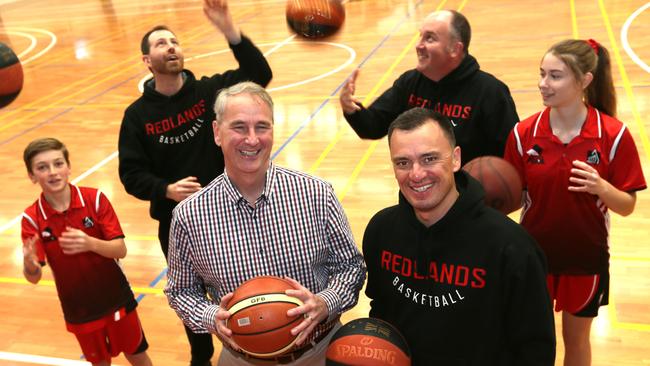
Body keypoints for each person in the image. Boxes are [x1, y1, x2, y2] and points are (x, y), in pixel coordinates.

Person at [164, 82, 366, 365]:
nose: (252, 140)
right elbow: (180, 291)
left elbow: (351, 267)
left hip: (320, 351)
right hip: (241, 358)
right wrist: (212, 317)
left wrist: (325, 303)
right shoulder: (189, 216)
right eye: (239, 127)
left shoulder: (316, 194)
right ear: (216, 132)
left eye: (262, 127)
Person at [117, 1, 272, 364]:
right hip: (178, 223)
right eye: (160, 44)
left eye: (174, 41)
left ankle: (259, 339)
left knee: (243, 285)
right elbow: (131, 173)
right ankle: (201, 354)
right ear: (146, 60)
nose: (170, 47)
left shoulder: (210, 93)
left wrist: (229, 29)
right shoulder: (137, 116)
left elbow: (258, 73)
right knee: (190, 294)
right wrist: (165, 190)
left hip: (230, 213)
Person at [363, 108, 556, 365]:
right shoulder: (381, 231)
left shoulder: (512, 246)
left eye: (429, 159)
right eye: (403, 162)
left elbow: (536, 347)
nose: (416, 174)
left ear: (456, 159)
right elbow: (382, 311)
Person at [504, 39, 647, 366]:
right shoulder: (523, 133)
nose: (543, 84)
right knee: (528, 343)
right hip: (533, 257)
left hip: (585, 257)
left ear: (584, 81)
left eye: (555, 76)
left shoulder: (613, 135)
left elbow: (627, 205)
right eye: (541, 74)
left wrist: (600, 187)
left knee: (577, 343)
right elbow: (509, 199)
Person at [20, 138, 153, 366]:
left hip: (117, 299)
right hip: (79, 310)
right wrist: (30, 265)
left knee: (137, 355)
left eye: (58, 163)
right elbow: (34, 278)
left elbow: (120, 249)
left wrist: (90, 243)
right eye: (42, 167)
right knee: (99, 363)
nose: (53, 172)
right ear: (32, 176)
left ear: (68, 167)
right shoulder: (32, 218)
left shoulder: (95, 199)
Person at [339, 9, 518, 165]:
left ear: (455, 49)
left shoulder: (490, 92)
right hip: (418, 191)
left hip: (472, 198)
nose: (419, 45)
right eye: (420, 36)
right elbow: (372, 126)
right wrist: (351, 109)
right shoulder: (409, 83)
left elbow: (512, 154)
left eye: (430, 38)